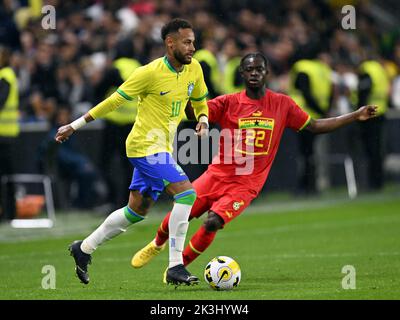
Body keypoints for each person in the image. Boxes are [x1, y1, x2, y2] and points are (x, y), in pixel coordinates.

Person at [131, 52, 378, 272]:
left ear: (266, 72)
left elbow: (314, 126)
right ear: (242, 73)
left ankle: (178, 267)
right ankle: (156, 244)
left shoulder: (282, 104)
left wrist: (355, 115)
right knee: (181, 212)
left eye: (259, 69)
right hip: (216, 174)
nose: (254, 73)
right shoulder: (228, 102)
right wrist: (172, 93)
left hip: (247, 184)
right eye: (249, 69)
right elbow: (194, 110)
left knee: (213, 222)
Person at [55, 18, 209, 286]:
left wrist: (204, 118)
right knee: (186, 193)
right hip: (144, 146)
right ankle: (175, 265)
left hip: (163, 147)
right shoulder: (147, 73)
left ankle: (84, 248)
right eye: (187, 42)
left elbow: (199, 98)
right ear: (170, 43)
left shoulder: (193, 68)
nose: (192, 48)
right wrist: (74, 125)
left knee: (136, 210)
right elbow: (113, 101)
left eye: (193, 42)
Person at [288, 53, 333, 194]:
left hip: (304, 117)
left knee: (305, 153)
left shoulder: (302, 68)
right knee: (314, 152)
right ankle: (314, 183)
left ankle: (305, 185)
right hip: (320, 116)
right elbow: (331, 91)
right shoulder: (324, 69)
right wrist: (324, 111)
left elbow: (306, 94)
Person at [357, 58, 390, 190]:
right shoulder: (381, 70)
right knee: (377, 149)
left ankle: (373, 182)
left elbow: (363, 92)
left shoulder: (367, 69)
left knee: (371, 149)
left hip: (369, 114)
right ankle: (379, 180)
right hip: (381, 112)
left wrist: (358, 111)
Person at [0, 45, 19, 221]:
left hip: (4, 135)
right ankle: (8, 212)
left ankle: (9, 212)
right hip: (7, 134)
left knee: (6, 178)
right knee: (6, 177)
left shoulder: (5, 76)